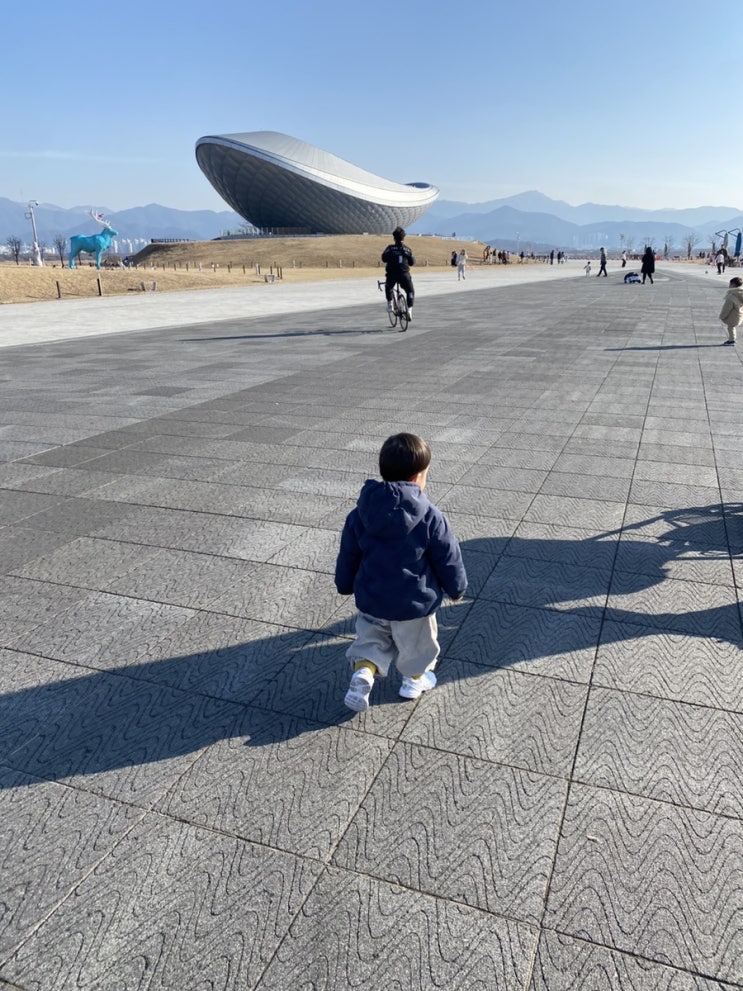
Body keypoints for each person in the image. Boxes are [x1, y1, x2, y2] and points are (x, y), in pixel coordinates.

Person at [335, 432, 467, 713]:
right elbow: (448, 556)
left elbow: (349, 554)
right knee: (417, 646)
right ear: (418, 477)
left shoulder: (360, 514)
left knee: (371, 640)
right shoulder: (431, 516)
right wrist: (456, 588)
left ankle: (364, 671)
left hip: (373, 597)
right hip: (414, 602)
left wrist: (345, 584)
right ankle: (412, 681)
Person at [382, 227, 415, 319]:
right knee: (410, 291)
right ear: (403, 238)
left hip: (392, 274)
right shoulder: (407, 250)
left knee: (388, 287)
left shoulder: (390, 248)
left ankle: (390, 304)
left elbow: (383, 258)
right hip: (404, 274)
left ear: (394, 238)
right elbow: (412, 262)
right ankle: (409, 310)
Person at [719, 276, 743, 345]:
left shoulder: (732, 295)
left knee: (731, 327)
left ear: (733, 285)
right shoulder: (741, 293)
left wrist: (722, 316)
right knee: (732, 327)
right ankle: (732, 339)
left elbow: (727, 308)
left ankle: (732, 340)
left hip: (733, 316)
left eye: (730, 284)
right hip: (740, 315)